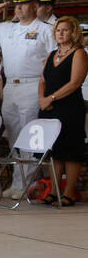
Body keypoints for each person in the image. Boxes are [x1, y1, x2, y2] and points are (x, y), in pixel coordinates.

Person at [0, 0, 57, 198]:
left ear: (36, 6)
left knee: (30, 137)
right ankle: (19, 182)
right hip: (11, 88)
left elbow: (53, 60)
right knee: (14, 138)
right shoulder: (6, 28)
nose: (18, 7)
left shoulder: (45, 30)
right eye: (16, 4)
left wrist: (47, 92)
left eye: (24, 3)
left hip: (33, 85)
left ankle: (27, 184)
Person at [38, 16, 87, 205]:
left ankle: (68, 193)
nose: (60, 34)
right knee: (55, 151)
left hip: (69, 107)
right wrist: (42, 99)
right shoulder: (52, 54)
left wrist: (52, 98)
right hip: (50, 107)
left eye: (65, 30)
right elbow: (43, 79)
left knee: (71, 151)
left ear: (73, 32)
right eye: (58, 30)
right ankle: (54, 190)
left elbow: (75, 82)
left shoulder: (79, 53)